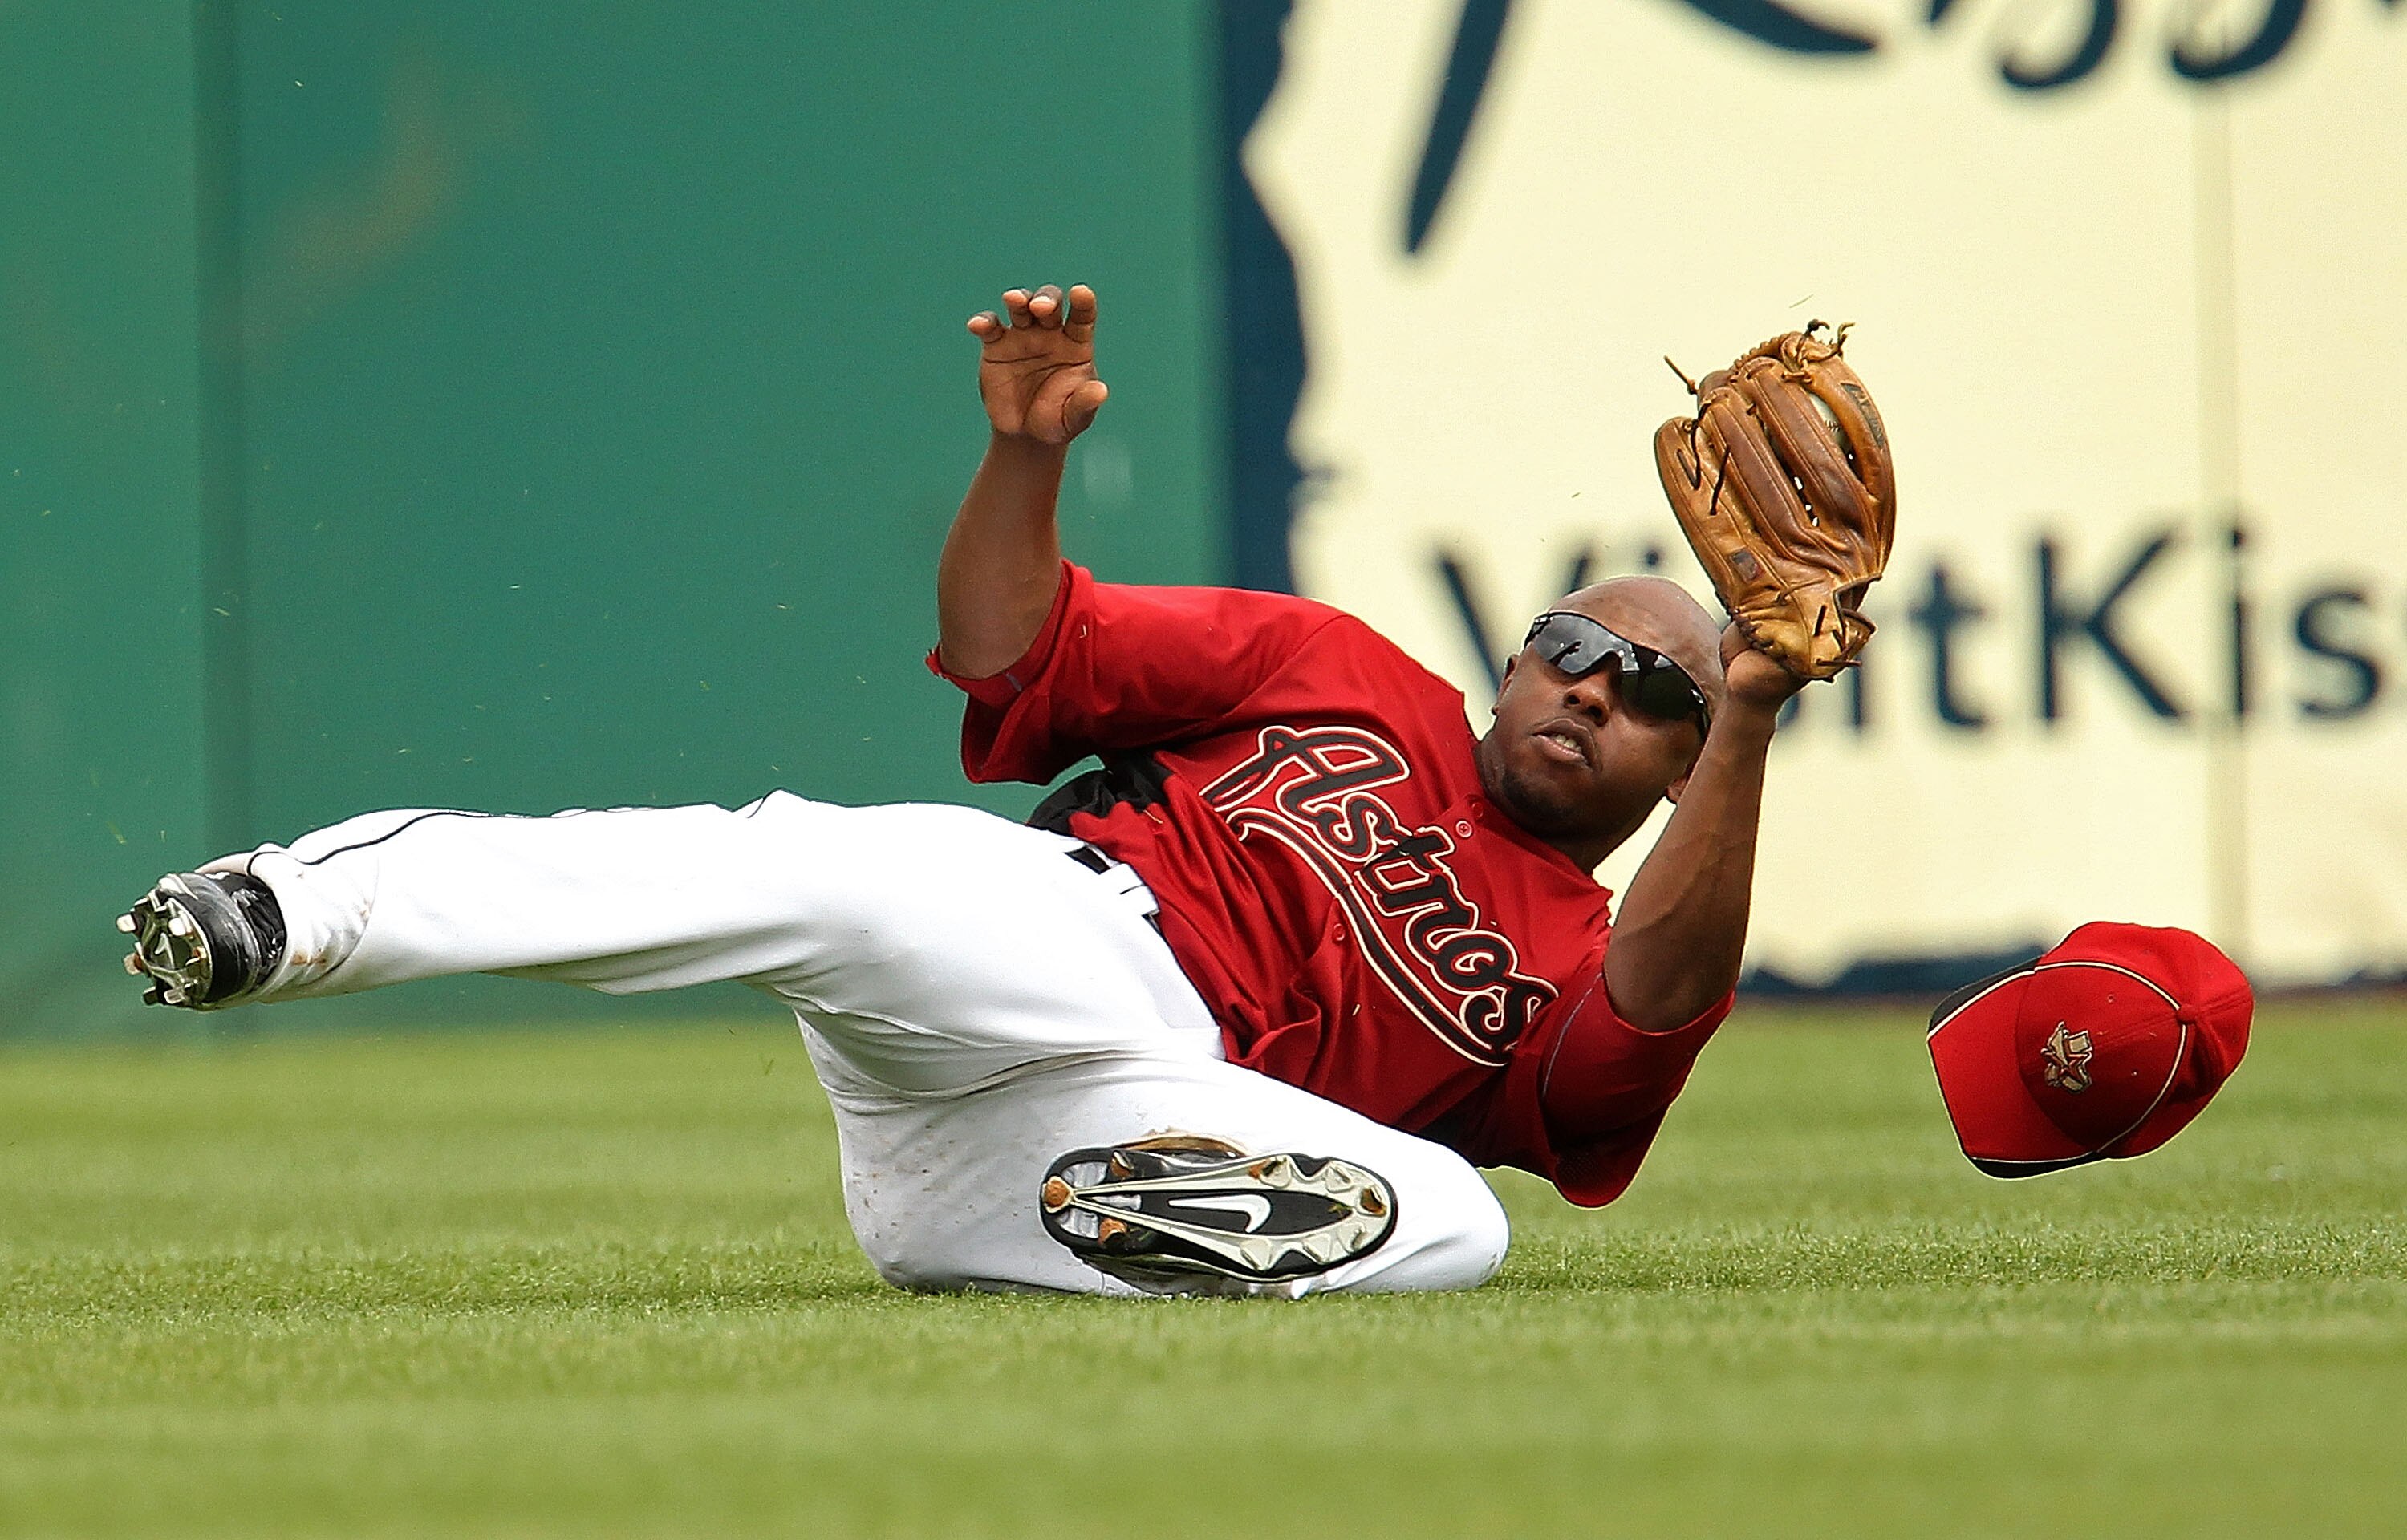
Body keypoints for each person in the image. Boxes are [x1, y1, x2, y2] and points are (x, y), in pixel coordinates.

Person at [116, 283, 1805, 1298]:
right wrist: (1026, 457)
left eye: (1654, 690)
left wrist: (1750, 713)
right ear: (1515, 657)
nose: (1595, 685)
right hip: (1052, 944)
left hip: (1091, 1143)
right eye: (1572, 642)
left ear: (1682, 761)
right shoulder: (1342, 672)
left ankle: (1066, 1223)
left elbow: (1637, 1030)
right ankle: (299, 911)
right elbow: (1015, 653)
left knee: (1458, 1228)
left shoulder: (1593, 946)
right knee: (829, 877)